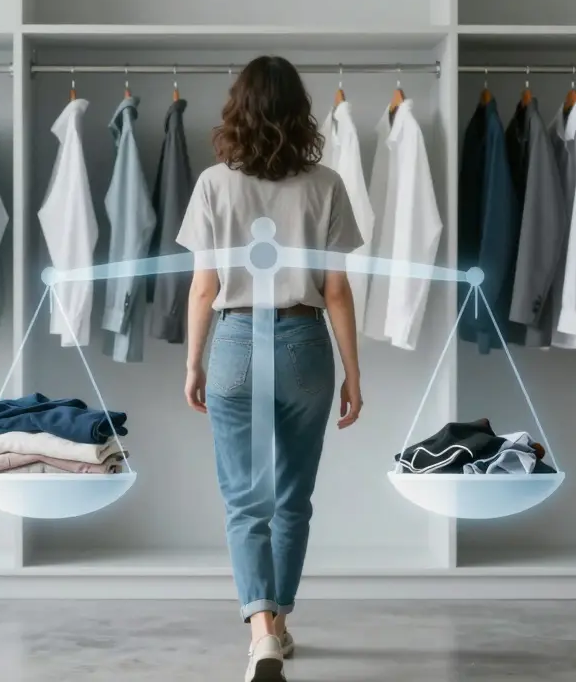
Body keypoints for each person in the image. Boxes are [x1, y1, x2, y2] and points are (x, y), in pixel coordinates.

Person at [176, 55, 364, 682]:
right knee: (292, 499)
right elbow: (336, 290)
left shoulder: (212, 184)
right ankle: (277, 627)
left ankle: (260, 631)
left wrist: (193, 362)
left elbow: (204, 286)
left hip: (233, 342)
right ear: (299, 112)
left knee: (243, 502)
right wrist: (352, 375)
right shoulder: (326, 184)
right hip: (305, 346)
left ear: (238, 109)